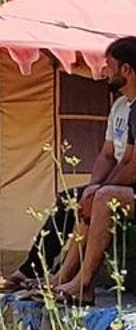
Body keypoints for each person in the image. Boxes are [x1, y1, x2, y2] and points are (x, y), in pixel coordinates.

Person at [51, 37, 136, 302]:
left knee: (101, 198)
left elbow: (133, 166)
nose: (104, 71)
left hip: (129, 188)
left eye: (109, 65)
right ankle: (61, 277)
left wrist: (99, 191)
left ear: (127, 70)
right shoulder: (124, 107)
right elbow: (118, 157)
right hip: (126, 185)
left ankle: (84, 282)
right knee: (82, 199)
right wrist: (93, 187)